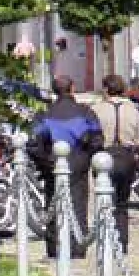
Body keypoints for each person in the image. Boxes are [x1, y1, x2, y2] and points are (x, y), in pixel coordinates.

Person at [28, 74, 104, 259]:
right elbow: (97, 139)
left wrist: (46, 162)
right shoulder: (85, 112)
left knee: (52, 204)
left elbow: (33, 144)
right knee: (78, 203)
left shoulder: (44, 115)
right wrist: (86, 158)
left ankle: (55, 248)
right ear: (72, 89)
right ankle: (77, 248)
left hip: (52, 163)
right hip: (78, 161)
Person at [92, 74, 139, 250]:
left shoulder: (97, 109)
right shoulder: (133, 110)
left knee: (104, 198)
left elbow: (92, 134)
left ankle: (105, 238)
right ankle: (121, 241)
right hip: (126, 155)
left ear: (106, 89)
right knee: (122, 202)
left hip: (104, 155)